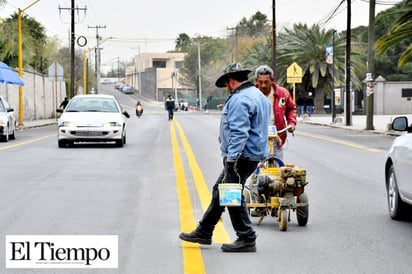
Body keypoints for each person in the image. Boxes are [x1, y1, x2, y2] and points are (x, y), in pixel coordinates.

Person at [179, 63, 271, 253]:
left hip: (241, 156)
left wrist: (232, 159)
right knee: (220, 191)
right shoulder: (258, 96)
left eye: (227, 85)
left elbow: (239, 132)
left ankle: (246, 237)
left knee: (231, 195)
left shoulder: (239, 99)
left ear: (231, 81)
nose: (227, 89)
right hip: (251, 154)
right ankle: (204, 231)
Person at [254, 65, 297, 160]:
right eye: (260, 82)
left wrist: (291, 123)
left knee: (279, 168)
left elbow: (291, 108)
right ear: (256, 81)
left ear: (272, 80)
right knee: (256, 170)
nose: (263, 85)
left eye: (266, 82)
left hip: (276, 138)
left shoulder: (282, 93)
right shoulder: (250, 94)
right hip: (256, 140)